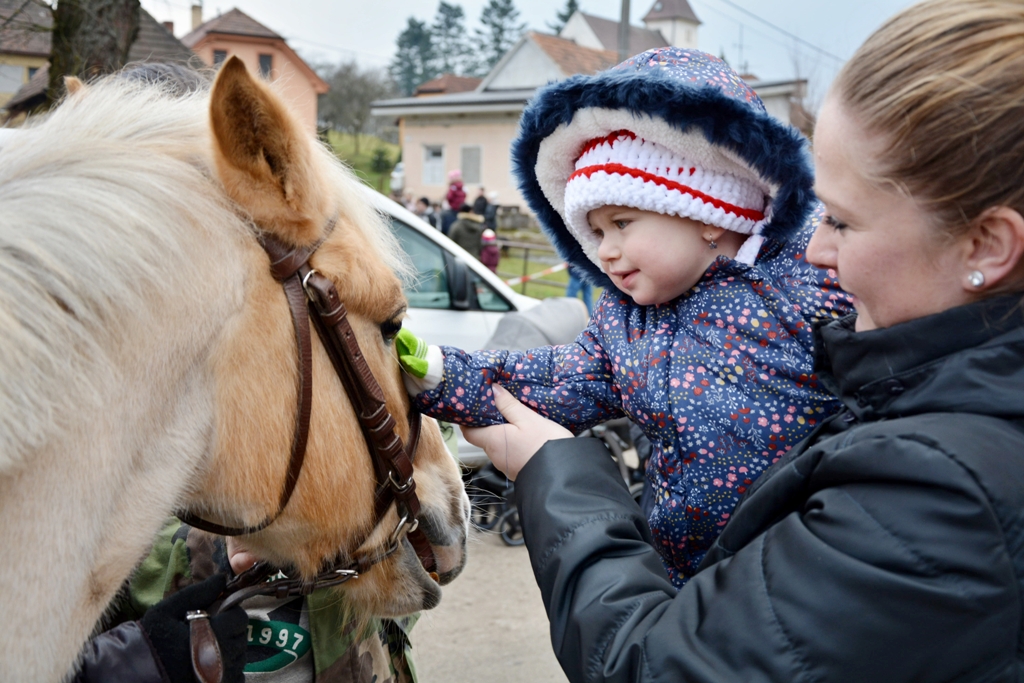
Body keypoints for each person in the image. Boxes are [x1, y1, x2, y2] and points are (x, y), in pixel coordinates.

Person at [462, 1, 1024, 680]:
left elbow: (661, 668)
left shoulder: (941, 493)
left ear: (986, 245)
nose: (814, 248)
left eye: (842, 221)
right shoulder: (921, 401)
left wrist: (554, 471)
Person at [396, 47, 852, 586]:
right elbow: (553, 379)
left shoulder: (812, 280)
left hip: (811, 569)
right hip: (683, 581)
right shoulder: (626, 326)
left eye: (622, 222)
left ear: (708, 211)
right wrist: (444, 373)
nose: (604, 250)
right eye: (595, 231)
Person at [441, 169, 465, 235]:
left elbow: (449, 197)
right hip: (460, 210)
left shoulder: (452, 187)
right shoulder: (462, 186)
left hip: (452, 210)